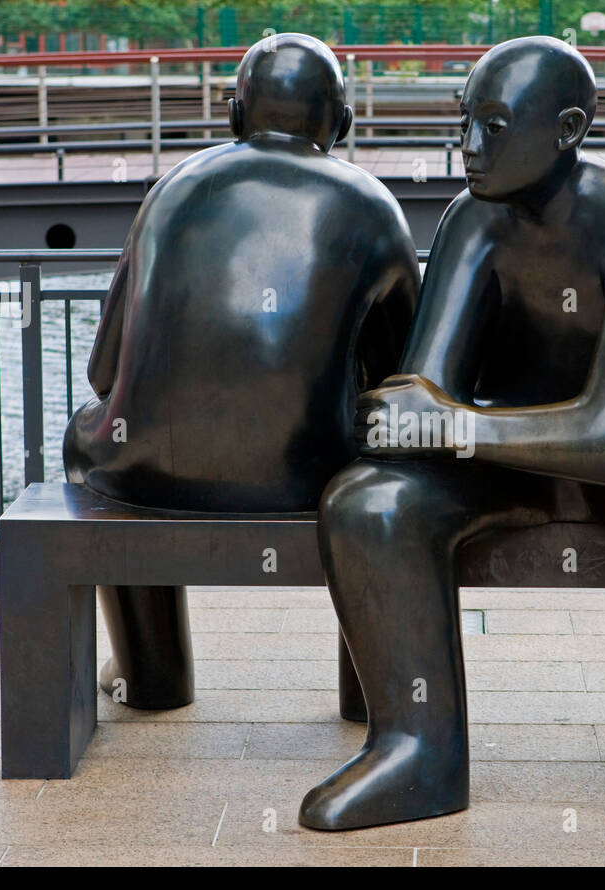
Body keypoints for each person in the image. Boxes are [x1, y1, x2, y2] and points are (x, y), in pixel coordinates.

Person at [299, 36, 605, 858]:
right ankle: (416, 749)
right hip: (513, 441)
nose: (470, 147)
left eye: (492, 126)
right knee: (370, 501)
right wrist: (453, 424)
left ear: (567, 129)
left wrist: (457, 424)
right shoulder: (472, 221)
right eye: (464, 125)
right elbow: (419, 408)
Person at [63, 33, 419, 710]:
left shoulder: (170, 193)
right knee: (386, 458)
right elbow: (406, 384)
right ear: (340, 125)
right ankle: (367, 690)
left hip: (151, 469)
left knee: (85, 441)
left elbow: (101, 371)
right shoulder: (372, 206)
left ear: (234, 113)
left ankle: (152, 673)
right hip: (315, 479)